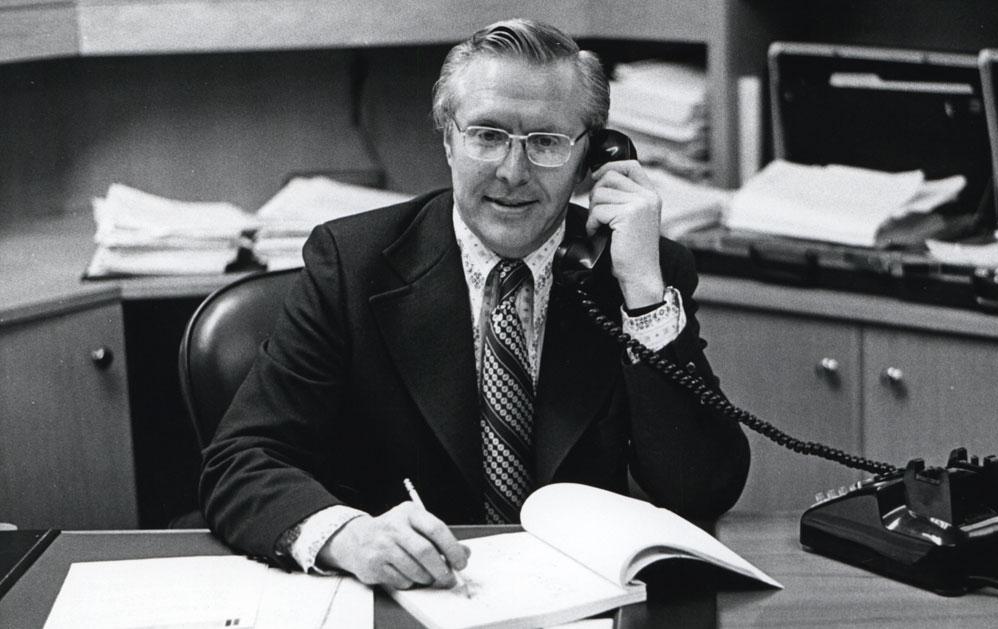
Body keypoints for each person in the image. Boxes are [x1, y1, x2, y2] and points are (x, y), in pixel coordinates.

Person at [200, 18, 749, 591]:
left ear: (592, 159)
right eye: (487, 135)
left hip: (580, 601)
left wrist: (641, 295)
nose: (512, 174)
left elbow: (703, 489)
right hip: (412, 600)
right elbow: (239, 460)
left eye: (546, 142)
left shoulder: (638, 268)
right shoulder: (352, 264)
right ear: (447, 140)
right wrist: (347, 536)